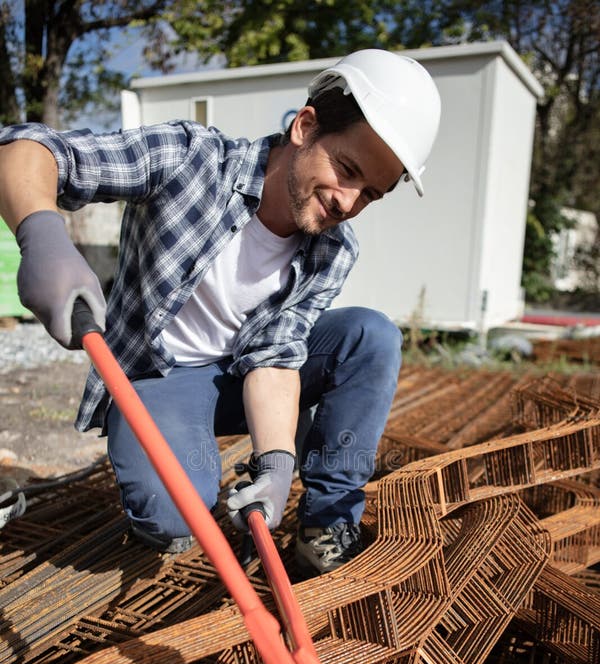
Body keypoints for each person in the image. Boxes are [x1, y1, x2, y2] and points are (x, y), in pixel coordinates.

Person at [0, 49, 441, 575]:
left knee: (371, 336)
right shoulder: (191, 160)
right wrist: (41, 234)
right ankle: (171, 465)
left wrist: (275, 466)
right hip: (165, 378)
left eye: (370, 193)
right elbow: (29, 149)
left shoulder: (334, 249)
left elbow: (275, 355)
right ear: (305, 126)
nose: (348, 202)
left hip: (244, 375)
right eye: (346, 170)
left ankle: (326, 523)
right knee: (173, 518)